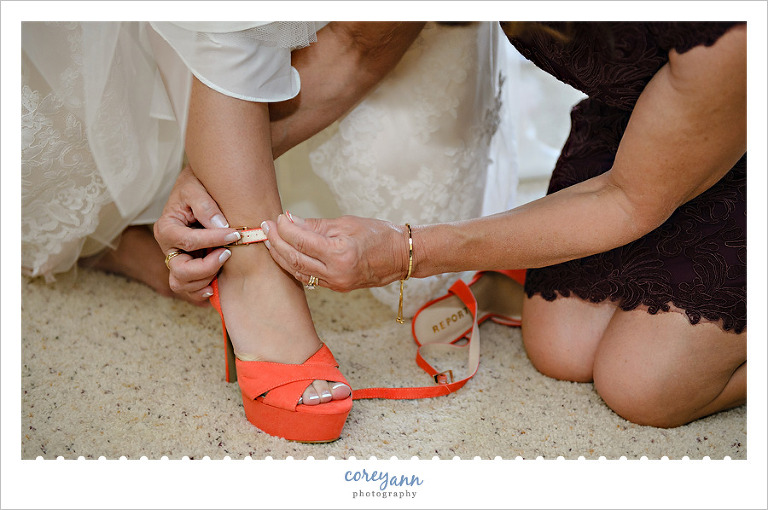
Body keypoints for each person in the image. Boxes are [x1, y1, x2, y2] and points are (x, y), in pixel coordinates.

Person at [255, 22, 748, 429]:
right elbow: (357, 45)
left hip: (735, 124)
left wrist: (408, 252)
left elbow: (627, 200)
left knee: (643, 387)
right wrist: (228, 165)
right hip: (635, 122)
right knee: (560, 349)